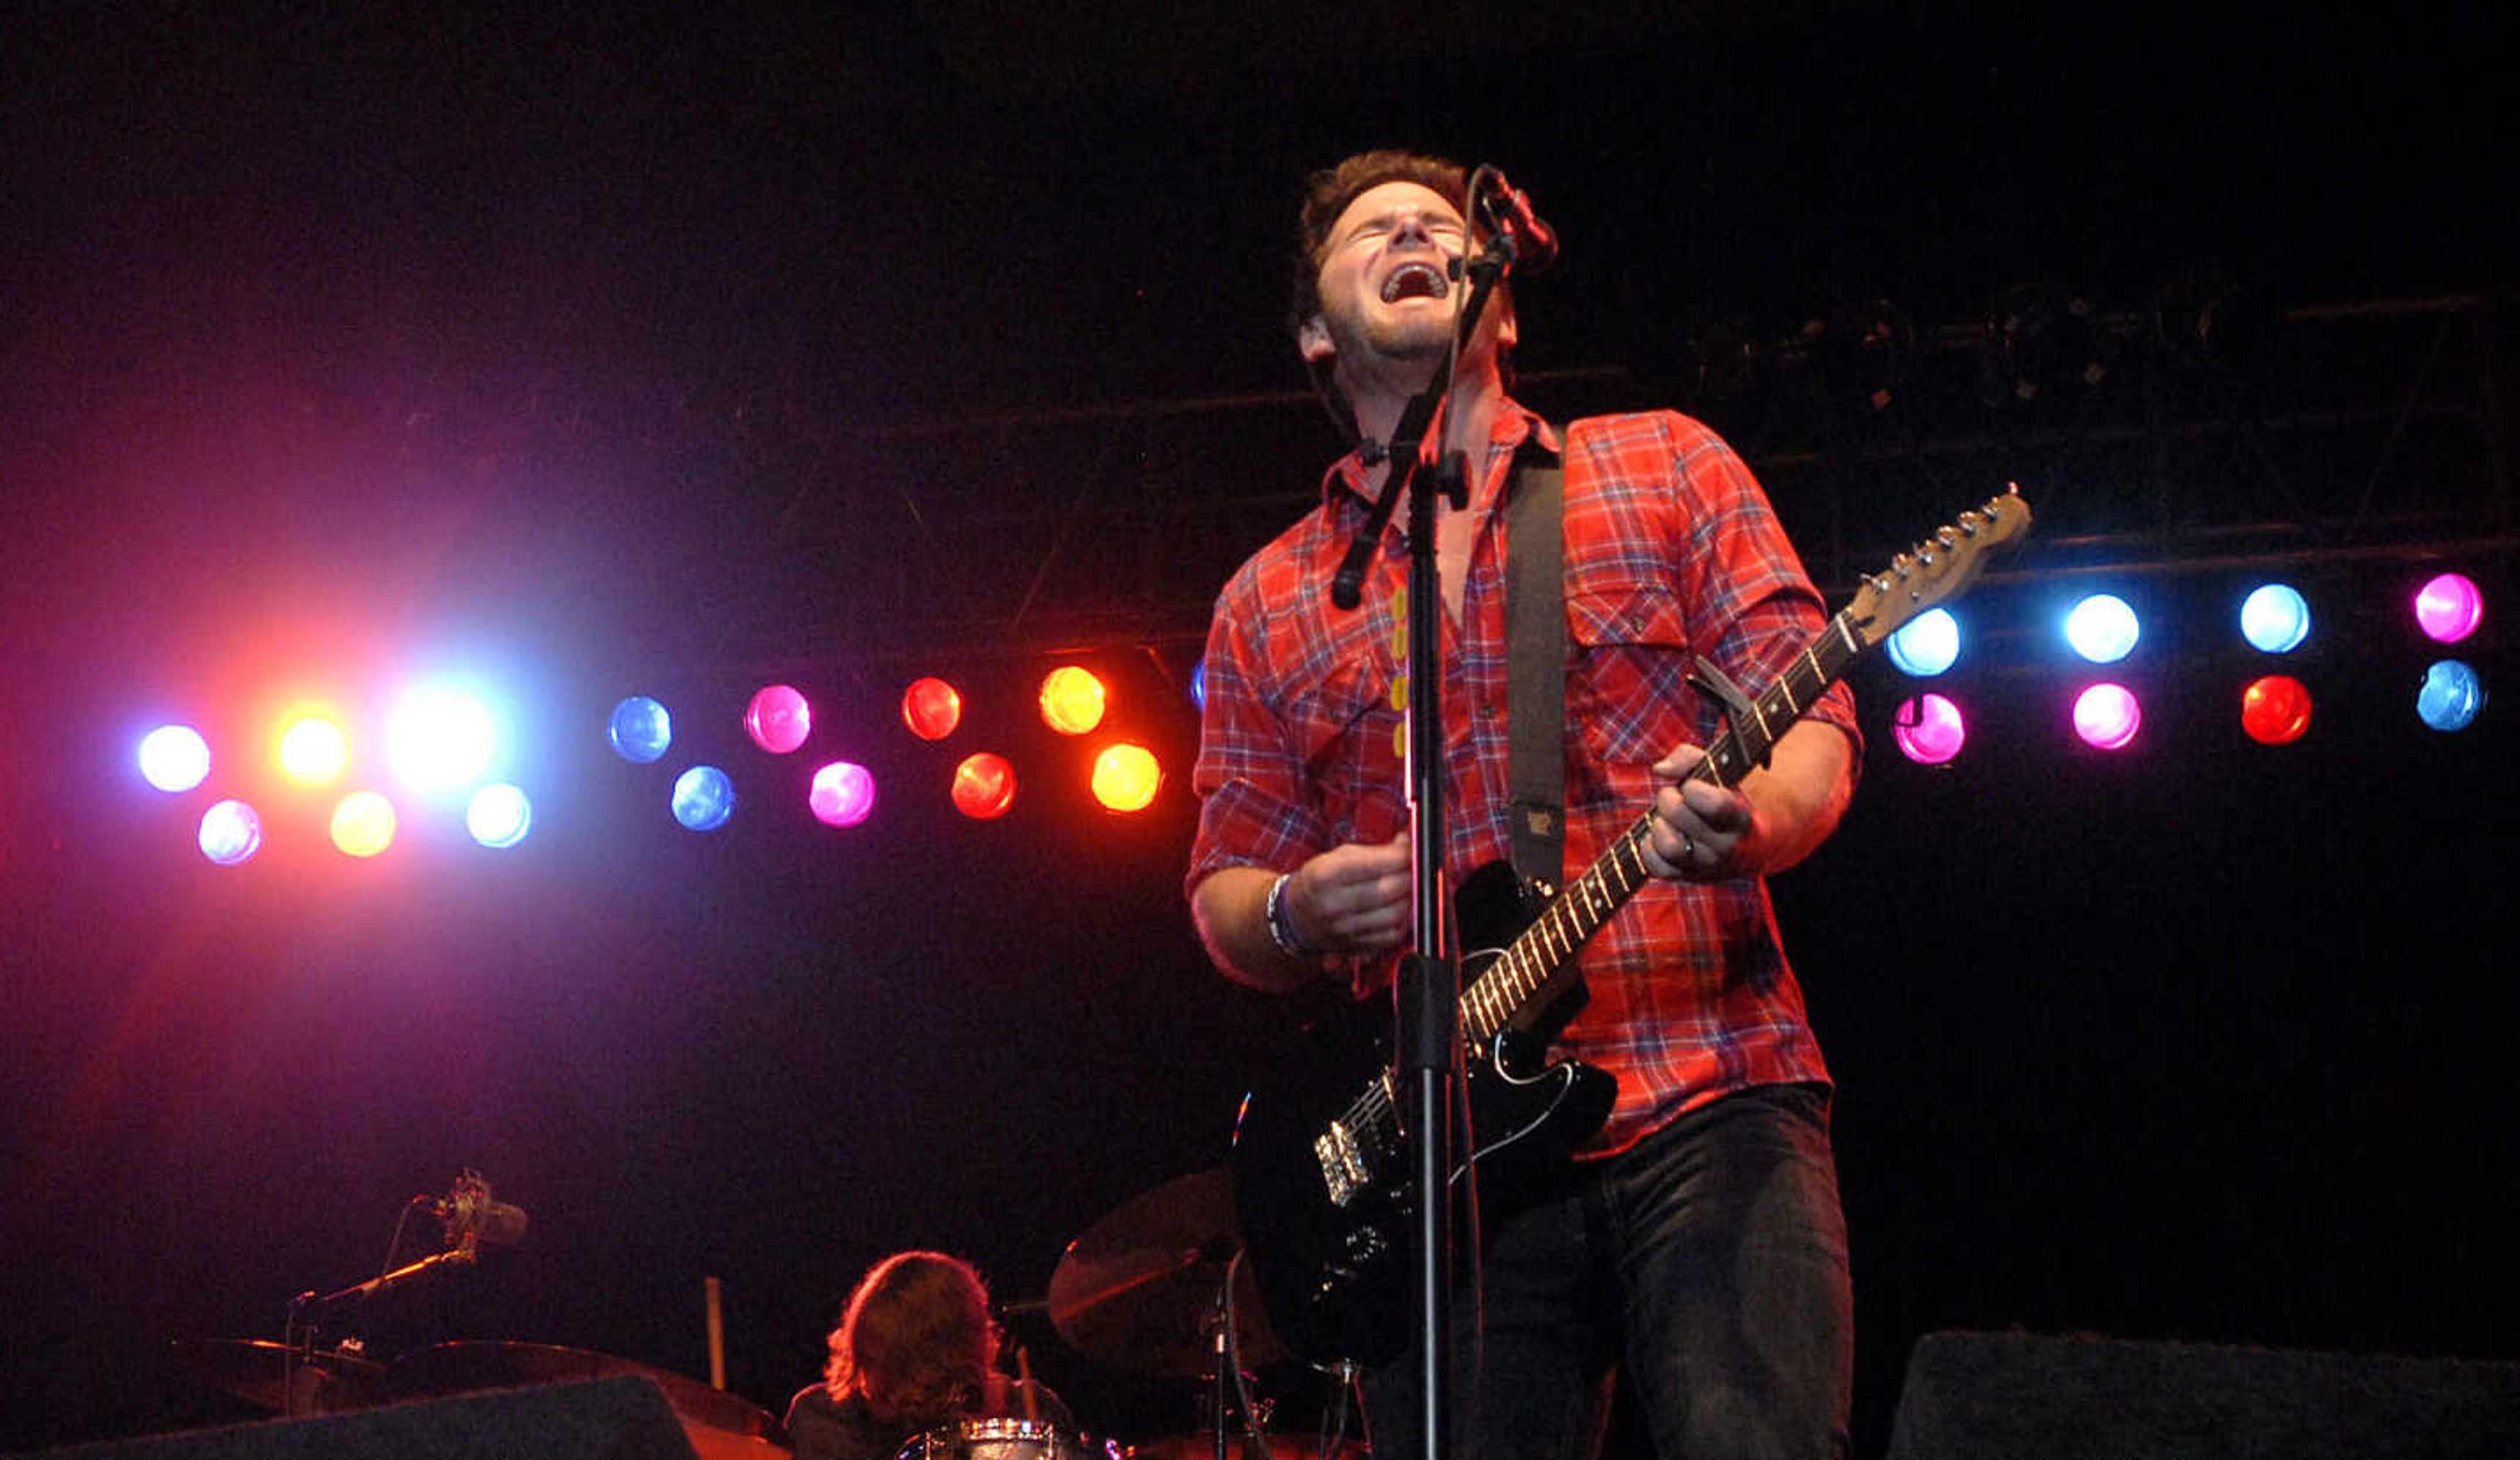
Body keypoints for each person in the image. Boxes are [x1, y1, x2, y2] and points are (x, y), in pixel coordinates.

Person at [1186, 150, 1860, 1460]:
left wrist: (1760, 821)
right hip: (1442, 1170)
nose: (1413, 235)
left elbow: (1811, 712)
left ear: (1503, 302)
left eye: (1439, 224)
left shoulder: (1664, 465)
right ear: (1319, 331)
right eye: (1372, 230)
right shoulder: (1268, 598)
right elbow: (1223, 895)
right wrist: (1296, 903)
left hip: (1707, 1083)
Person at [781, 1251, 1079, 1460]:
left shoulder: (1030, 1411)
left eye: (888, 1365)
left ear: (940, 1365)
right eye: (866, 1359)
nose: (870, 1380)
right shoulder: (822, 1421)